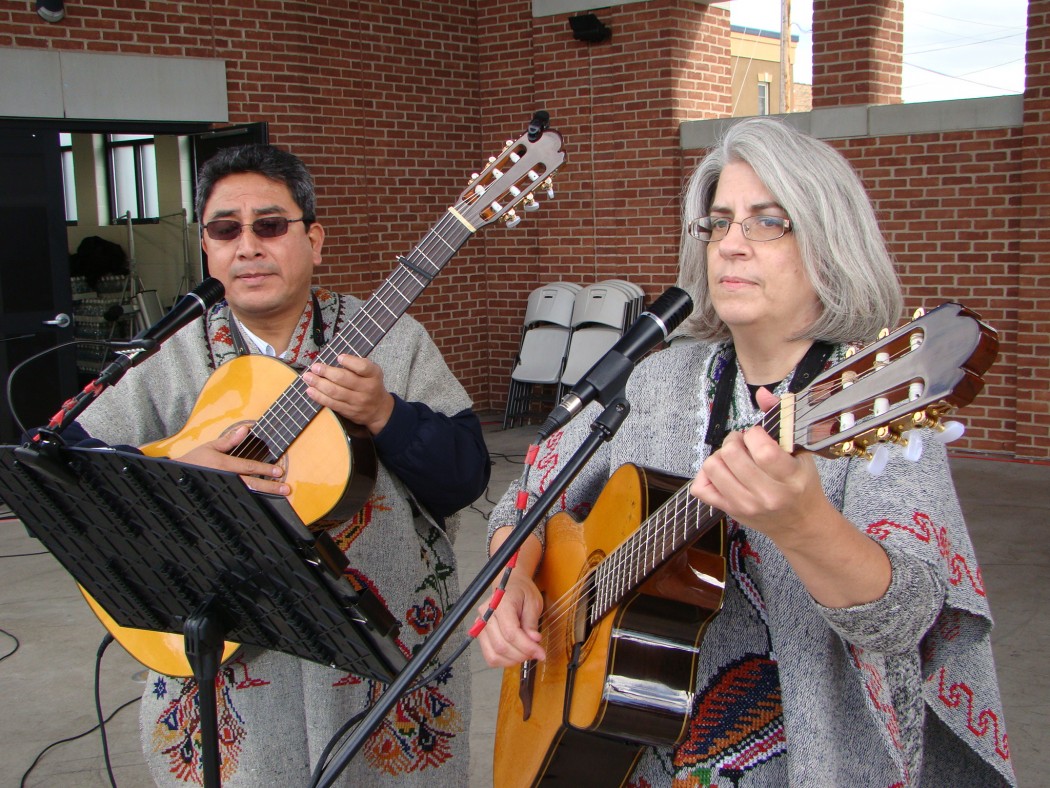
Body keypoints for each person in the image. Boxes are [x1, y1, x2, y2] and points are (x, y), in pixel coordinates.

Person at [478, 117, 1016, 786]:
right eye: (718, 223)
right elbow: (527, 496)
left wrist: (805, 528)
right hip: (627, 756)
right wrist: (515, 581)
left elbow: (908, 619)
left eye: (767, 222)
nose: (731, 245)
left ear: (828, 243)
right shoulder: (655, 379)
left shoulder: (877, 406)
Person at [71, 144, 490, 786]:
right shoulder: (170, 354)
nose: (248, 246)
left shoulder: (394, 341)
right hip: (228, 667)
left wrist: (386, 414)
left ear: (314, 240)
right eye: (225, 229)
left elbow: (466, 477)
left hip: (380, 660)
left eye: (270, 225)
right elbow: (69, 465)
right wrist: (176, 460)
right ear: (206, 248)